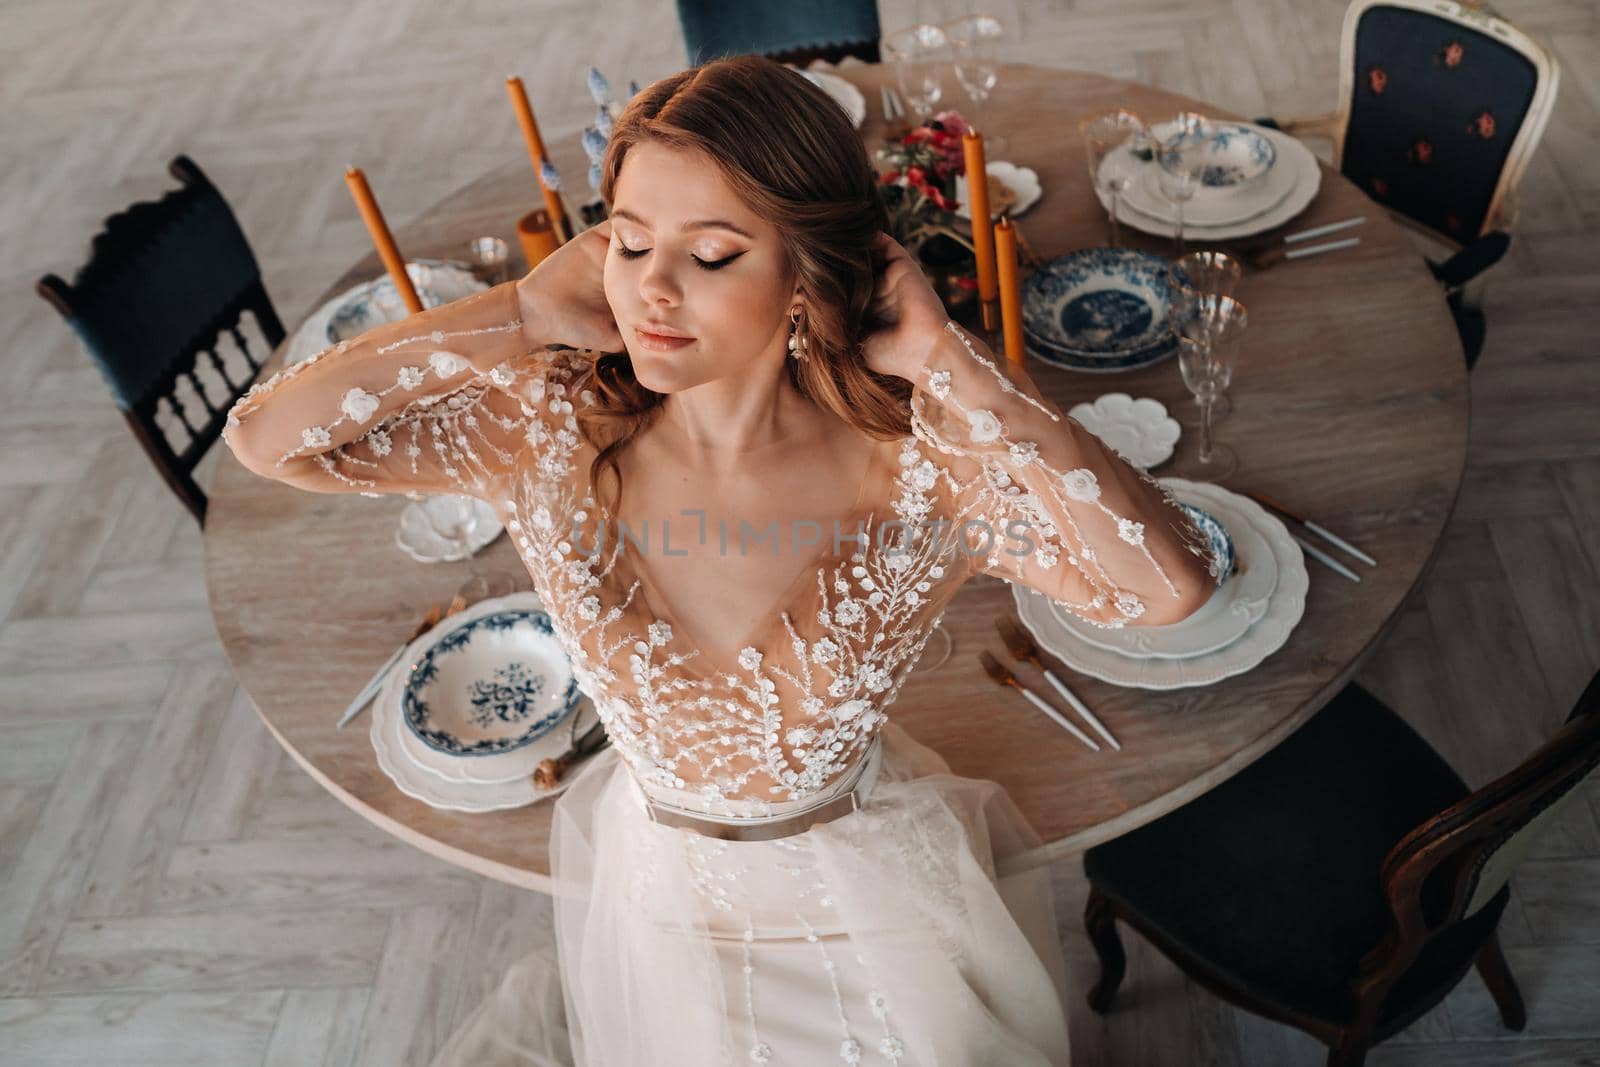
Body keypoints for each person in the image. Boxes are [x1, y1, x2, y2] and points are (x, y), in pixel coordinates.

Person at [223, 55, 1218, 1067]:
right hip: (659, 898)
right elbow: (270, 440)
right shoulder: (548, 427)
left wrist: (946, 362)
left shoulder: (919, 469)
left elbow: (1168, 587)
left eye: (710, 254)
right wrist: (518, 311)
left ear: (806, 277)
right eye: (628, 240)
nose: (651, 288)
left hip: (868, 920)